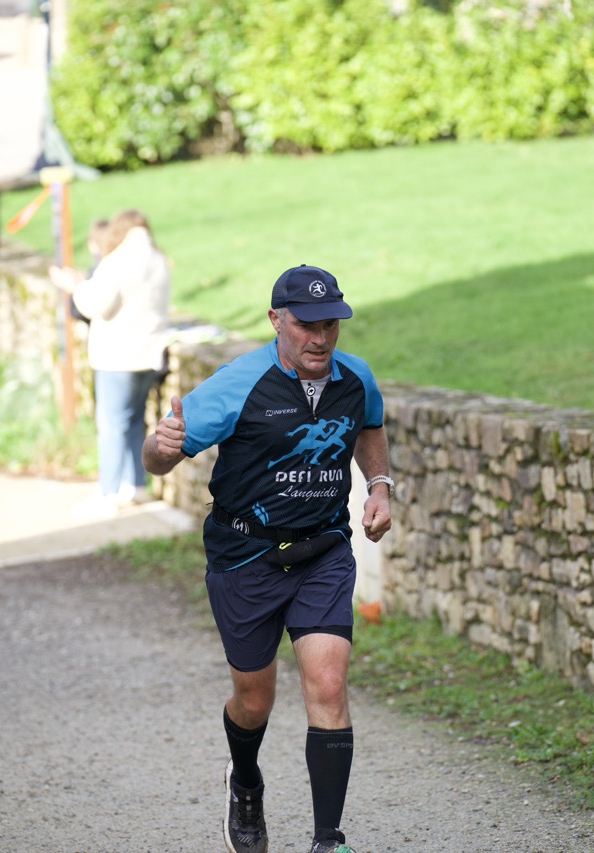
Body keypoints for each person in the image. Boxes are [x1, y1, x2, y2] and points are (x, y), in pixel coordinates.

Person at [141, 264, 393, 853]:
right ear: (276, 320)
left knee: (328, 684)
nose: (320, 339)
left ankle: (328, 840)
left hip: (323, 551)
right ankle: (246, 781)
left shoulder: (355, 377)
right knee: (254, 700)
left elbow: (369, 426)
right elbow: (158, 455)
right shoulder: (237, 384)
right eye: (307, 325)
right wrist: (161, 446)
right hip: (246, 556)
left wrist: (380, 485)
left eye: (330, 325)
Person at [53, 210, 170, 509]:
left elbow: (94, 304)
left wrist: (76, 285)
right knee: (135, 422)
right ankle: (135, 485)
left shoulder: (118, 260)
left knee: (111, 425)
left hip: (118, 356)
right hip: (149, 353)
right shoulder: (157, 258)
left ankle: (107, 492)